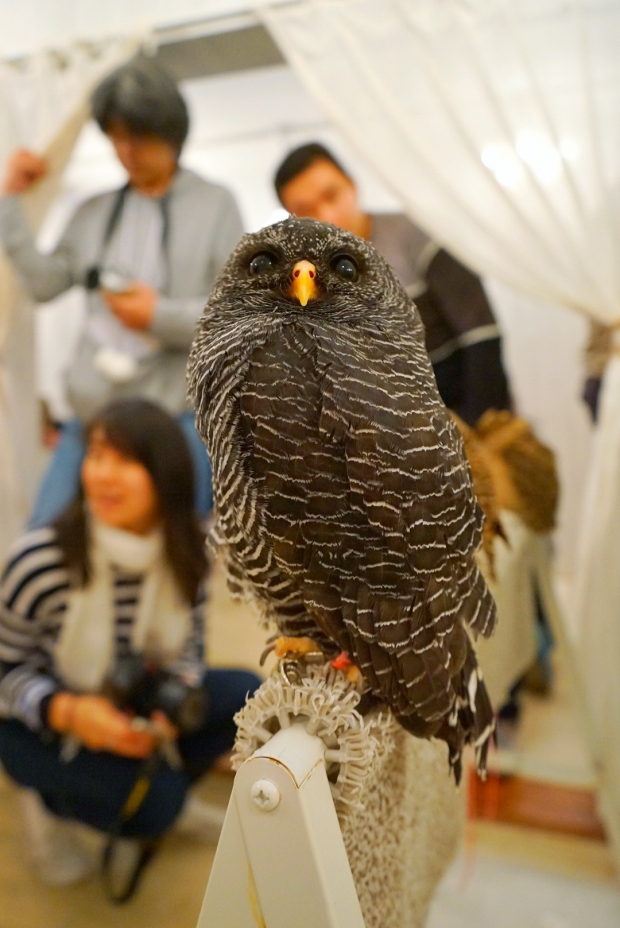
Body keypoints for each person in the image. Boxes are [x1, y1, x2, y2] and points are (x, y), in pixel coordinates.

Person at [0, 399, 261, 900]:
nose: (103, 475)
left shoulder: (186, 553)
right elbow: (6, 669)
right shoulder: (41, 561)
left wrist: (163, 718)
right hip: (42, 718)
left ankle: (133, 785)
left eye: (126, 460)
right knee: (156, 805)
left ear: (165, 473)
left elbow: (189, 653)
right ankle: (59, 802)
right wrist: (70, 712)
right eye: (96, 455)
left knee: (248, 695)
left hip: (134, 698)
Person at [0, 57, 244, 526]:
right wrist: (11, 202)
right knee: (44, 542)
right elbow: (44, 283)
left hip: (178, 416)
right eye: (115, 137)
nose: (126, 151)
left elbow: (236, 316)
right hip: (94, 419)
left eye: (139, 137)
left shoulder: (216, 205)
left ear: (171, 134)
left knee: (182, 546)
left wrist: (157, 315)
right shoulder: (92, 213)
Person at [274, 142, 511, 426]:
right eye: (305, 209)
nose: (326, 215)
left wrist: (479, 431)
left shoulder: (414, 233)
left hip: (464, 410)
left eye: (331, 195)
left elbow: (481, 332)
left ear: (351, 184)